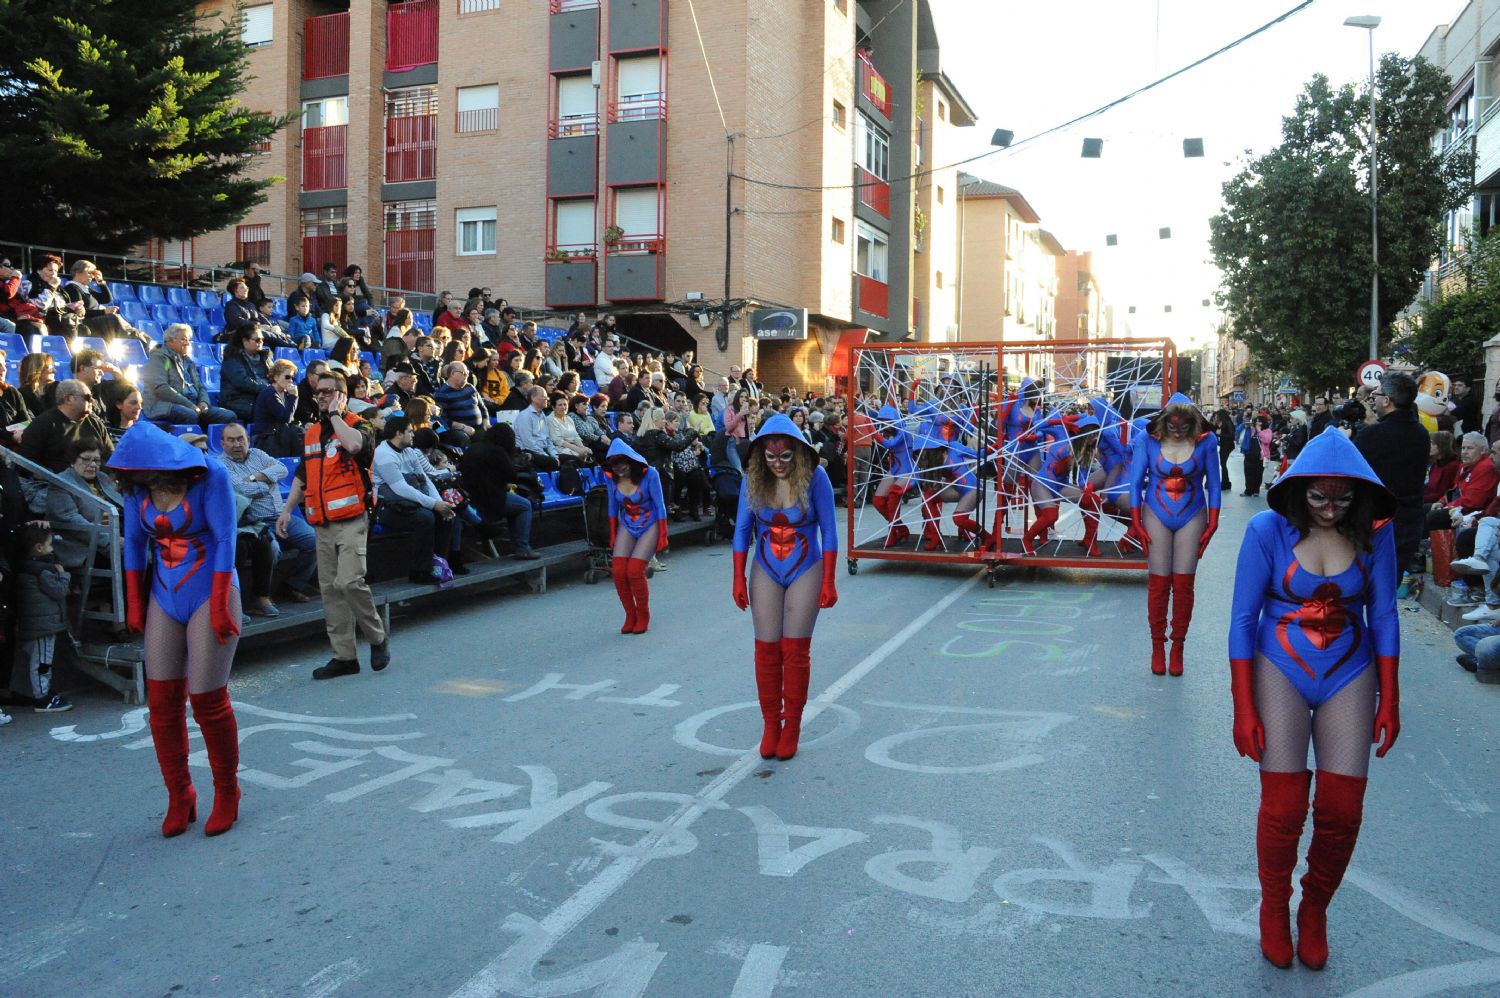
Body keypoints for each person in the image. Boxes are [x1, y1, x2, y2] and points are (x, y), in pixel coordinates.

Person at [1227, 426, 1400, 971]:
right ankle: (1274, 909)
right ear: (1299, 488)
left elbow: (1386, 615)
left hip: (1349, 669)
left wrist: (1391, 700)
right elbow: (1241, 620)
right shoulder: (1266, 529)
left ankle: (1314, 910)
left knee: (1342, 808)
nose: (1329, 508)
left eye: (1341, 497)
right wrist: (1243, 707)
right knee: (1282, 807)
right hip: (1279, 664)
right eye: (1318, 496)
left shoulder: (1376, 532)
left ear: (1359, 492)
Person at [108, 422, 243, 837]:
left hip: (210, 587)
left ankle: (226, 792)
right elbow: (132, 543)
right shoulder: (136, 489)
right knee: (162, 704)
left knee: (207, 699)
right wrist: (134, 601)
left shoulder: (210, 475)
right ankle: (179, 794)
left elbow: (225, 538)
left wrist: (220, 602)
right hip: (165, 594)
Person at [730, 414, 838, 761]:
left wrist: (830, 580)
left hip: (806, 567)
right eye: (770, 455)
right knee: (766, 650)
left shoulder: (816, 477)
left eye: (785, 456)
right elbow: (742, 532)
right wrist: (736, 578)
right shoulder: (753, 480)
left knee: (794, 652)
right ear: (761, 453)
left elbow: (830, 531)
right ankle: (770, 725)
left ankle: (791, 724)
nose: (777, 463)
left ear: (798, 453)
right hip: (765, 568)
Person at [275, 371, 388, 680]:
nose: (321, 396)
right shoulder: (311, 434)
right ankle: (345, 657)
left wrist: (337, 416)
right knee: (330, 593)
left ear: (340, 395)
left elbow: (354, 447)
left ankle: (377, 637)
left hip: (352, 519)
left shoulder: (359, 424)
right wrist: (286, 511)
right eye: (319, 392)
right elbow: (302, 475)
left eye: (328, 391)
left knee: (350, 582)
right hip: (321, 523)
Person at [1128, 394, 1222, 676]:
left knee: (1183, 584)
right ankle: (1158, 646)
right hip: (1156, 511)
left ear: (1193, 423)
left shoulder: (1207, 442)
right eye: (1173, 426)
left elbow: (1214, 485)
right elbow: (1135, 484)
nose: (1178, 431)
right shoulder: (1147, 440)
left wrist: (1214, 522)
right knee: (1158, 582)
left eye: (1184, 427)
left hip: (1192, 513)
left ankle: (1177, 646)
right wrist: (1136, 521)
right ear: (1164, 421)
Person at [220, 423, 317, 607]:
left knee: (314, 541)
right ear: (222, 443)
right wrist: (267, 483)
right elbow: (240, 488)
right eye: (231, 440)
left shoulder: (258, 454)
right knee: (272, 550)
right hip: (255, 522)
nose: (237, 444)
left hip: (281, 516)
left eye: (240, 439)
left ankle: (291, 585)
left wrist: (253, 476)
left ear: (248, 440)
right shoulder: (222, 464)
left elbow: (283, 470)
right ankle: (262, 594)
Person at [372, 416, 466, 584]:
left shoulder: (409, 451)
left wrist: (440, 504)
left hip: (410, 503)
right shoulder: (383, 454)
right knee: (425, 518)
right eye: (409, 431)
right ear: (399, 434)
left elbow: (424, 478)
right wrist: (434, 504)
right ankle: (419, 571)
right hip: (387, 508)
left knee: (447, 517)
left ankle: (438, 564)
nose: (413, 435)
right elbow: (400, 488)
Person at [1355, 371, 1429, 580]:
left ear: (1387, 400)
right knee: (1388, 590)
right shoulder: (1421, 433)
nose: (1372, 400)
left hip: (1376, 522)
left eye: (1376, 396)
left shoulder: (1372, 435)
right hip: (1409, 523)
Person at [602, 438, 669, 633]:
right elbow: (613, 506)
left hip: (650, 523)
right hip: (628, 523)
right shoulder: (611, 477)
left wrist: (663, 533)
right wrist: (613, 532)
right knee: (618, 571)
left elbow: (660, 505)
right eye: (614, 465)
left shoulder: (650, 474)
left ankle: (643, 614)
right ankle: (630, 614)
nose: (618, 470)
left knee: (634, 570)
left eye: (621, 464)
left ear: (630, 460)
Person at [14, 524, 73, 712]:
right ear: (39, 548)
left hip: (33, 623)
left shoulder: (25, 567)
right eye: (49, 545)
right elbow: (59, 591)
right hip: (44, 626)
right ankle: (43, 698)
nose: (52, 548)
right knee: (42, 663)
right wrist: (64, 575)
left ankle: (36, 692)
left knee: (35, 660)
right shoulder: (43, 571)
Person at [459, 423, 540, 561]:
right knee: (525, 505)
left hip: (470, 498)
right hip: (490, 499)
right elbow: (511, 475)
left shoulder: (472, 448)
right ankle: (522, 547)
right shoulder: (498, 451)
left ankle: (516, 545)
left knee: (516, 506)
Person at [47, 439, 123, 583]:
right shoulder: (61, 483)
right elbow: (71, 520)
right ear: (73, 460)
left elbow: (122, 504)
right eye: (86, 459)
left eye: (97, 460)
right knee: (135, 558)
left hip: (117, 537)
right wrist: (112, 540)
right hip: (87, 547)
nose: (93, 465)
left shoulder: (102, 477)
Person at [143, 324, 236, 426]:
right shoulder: (159, 358)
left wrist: (203, 403)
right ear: (170, 340)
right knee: (190, 415)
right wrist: (189, 405)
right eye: (183, 339)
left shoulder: (188, 361)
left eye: (188, 340)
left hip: (193, 404)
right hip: (165, 405)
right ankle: (193, 440)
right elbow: (161, 388)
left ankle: (209, 439)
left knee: (229, 415)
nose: (188, 343)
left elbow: (200, 387)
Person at [219, 325, 274, 423]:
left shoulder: (264, 357)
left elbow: (274, 377)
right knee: (269, 411)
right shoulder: (232, 358)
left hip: (260, 397)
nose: (261, 342)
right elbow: (243, 382)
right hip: (237, 399)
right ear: (245, 341)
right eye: (257, 340)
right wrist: (269, 389)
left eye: (262, 339)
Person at [515, 386, 562, 472]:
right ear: (533, 398)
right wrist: (546, 456)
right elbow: (528, 442)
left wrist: (555, 455)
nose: (547, 398)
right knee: (553, 462)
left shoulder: (543, 415)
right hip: (529, 452)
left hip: (543, 451)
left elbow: (548, 439)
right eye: (544, 396)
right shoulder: (524, 416)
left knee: (570, 459)